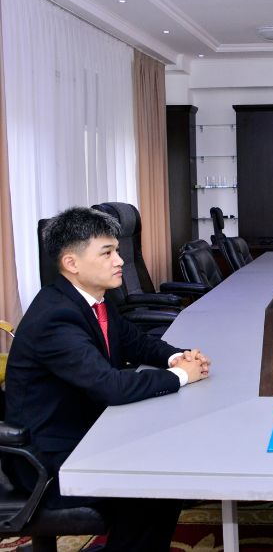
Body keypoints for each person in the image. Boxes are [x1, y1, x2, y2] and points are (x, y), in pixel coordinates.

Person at [4, 207, 211, 552]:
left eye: (117, 250)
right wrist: (180, 376)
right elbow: (111, 386)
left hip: (85, 431)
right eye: (107, 252)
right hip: (48, 460)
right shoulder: (56, 316)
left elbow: (136, 342)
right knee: (155, 483)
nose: (119, 261)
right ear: (71, 263)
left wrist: (178, 356)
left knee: (167, 471)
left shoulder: (93, 301)